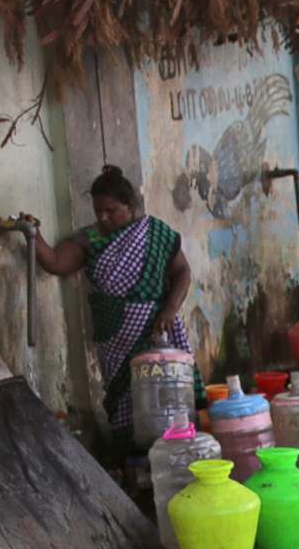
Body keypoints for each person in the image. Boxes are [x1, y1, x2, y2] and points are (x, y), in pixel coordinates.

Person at [18, 165, 192, 431]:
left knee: (169, 401)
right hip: (116, 344)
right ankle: (130, 461)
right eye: (98, 212)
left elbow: (182, 271)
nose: (103, 217)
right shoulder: (90, 240)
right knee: (127, 405)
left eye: (111, 211)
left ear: (130, 206)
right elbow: (55, 262)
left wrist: (169, 309)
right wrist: (33, 234)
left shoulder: (155, 233)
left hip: (158, 333)